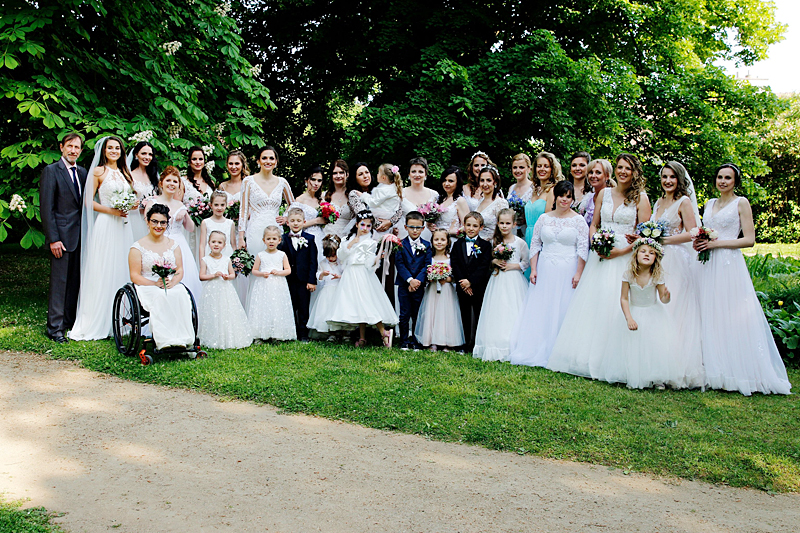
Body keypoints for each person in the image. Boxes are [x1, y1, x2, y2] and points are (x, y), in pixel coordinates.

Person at [547, 153, 651, 380]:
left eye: (628, 168)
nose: (623, 171)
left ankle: (618, 361)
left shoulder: (641, 198)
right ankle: (588, 357)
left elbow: (644, 236)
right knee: (595, 302)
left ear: (634, 172)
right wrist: (596, 243)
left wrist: (622, 251)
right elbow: (594, 224)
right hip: (601, 254)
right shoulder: (604, 193)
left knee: (616, 301)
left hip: (625, 255)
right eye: (620, 167)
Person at [692, 164, 791, 395]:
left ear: (735, 181)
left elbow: (749, 240)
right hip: (707, 264)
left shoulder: (741, 203)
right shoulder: (709, 203)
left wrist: (716, 244)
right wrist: (701, 242)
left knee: (729, 311)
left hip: (728, 262)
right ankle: (713, 366)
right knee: (710, 310)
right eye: (720, 177)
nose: (723, 181)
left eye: (728, 178)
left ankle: (736, 368)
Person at [508, 181, 589, 367]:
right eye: (561, 196)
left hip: (568, 268)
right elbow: (535, 244)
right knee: (543, 305)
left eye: (568, 197)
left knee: (564, 305)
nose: (564, 200)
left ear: (572, 199)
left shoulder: (578, 221)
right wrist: (534, 269)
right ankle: (538, 345)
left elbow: (583, 248)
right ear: (555, 197)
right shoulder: (544, 218)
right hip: (545, 266)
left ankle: (561, 349)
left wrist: (578, 273)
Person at [69, 135, 135, 341]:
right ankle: (97, 319)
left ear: (121, 152)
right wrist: (111, 211)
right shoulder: (98, 171)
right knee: (103, 266)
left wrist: (130, 204)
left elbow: (131, 197)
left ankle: (120, 317)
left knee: (121, 266)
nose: (114, 151)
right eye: (110, 148)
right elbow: (88, 202)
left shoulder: (125, 173)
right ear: (104, 151)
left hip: (123, 226)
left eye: (117, 148)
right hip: (106, 224)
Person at [651, 161, 704, 389]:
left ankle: (674, 368)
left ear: (679, 179)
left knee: (672, 309)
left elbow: (693, 233)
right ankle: (655, 364)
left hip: (676, 260)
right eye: (664, 177)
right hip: (657, 259)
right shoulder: (658, 202)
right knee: (655, 309)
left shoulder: (684, 202)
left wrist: (664, 240)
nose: (667, 181)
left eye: (672, 177)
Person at [601, 238, 680, 389]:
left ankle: (656, 376)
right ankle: (628, 372)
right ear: (636, 255)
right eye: (643, 251)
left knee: (654, 344)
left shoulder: (657, 276)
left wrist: (667, 297)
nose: (647, 254)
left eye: (651, 253)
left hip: (653, 314)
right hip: (634, 312)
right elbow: (624, 298)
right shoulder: (628, 275)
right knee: (631, 344)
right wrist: (629, 318)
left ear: (656, 258)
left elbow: (663, 299)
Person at [40, 132, 87, 343]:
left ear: (81, 151)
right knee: (59, 284)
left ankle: (69, 322)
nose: (73, 150)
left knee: (74, 282)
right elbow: (46, 208)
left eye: (77, 147)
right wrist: (53, 238)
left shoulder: (83, 172)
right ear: (61, 147)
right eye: (70, 146)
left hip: (80, 236)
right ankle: (55, 329)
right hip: (60, 237)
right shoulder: (51, 171)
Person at [128, 204, 195, 350]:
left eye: (162, 222)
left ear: (167, 224)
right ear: (148, 221)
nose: (158, 226)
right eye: (155, 221)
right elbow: (134, 276)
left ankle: (183, 338)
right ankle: (164, 340)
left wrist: (173, 281)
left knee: (180, 294)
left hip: (169, 283)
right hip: (147, 285)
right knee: (160, 295)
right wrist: (154, 284)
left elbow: (179, 269)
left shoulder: (174, 245)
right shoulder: (137, 247)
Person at [327, 211, 398, 348]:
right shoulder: (347, 239)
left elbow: (370, 262)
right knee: (358, 305)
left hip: (362, 274)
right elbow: (341, 256)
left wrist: (378, 258)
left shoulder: (371, 242)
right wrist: (351, 244)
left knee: (366, 302)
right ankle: (362, 337)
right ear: (357, 224)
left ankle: (384, 332)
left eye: (368, 226)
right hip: (350, 273)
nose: (365, 228)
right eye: (362, 225)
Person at [473, 209, 529, 361]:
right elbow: (487, 261)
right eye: (502, 223)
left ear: (514, 224)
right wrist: (495, 261)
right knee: (497, 309)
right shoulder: (494, 242)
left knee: (513, 308)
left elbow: (525, 262)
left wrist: (512, 266)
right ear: (497, 224)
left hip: (514, 280)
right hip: (497, 279)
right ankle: (495, 342)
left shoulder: (520, 243)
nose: (504, 226)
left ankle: (513, 342)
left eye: (508, 223)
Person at [142, 167, 202, 303]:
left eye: (175, 181)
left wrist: (185, 214)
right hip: (159, 244)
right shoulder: (152, 202)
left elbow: (190, 228)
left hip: (179, 246)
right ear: (161, 183)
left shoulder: (180, 204)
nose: (171, 184)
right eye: (168, 180)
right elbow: (148, 225)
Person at [198, 230, 253, 349]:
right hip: (211, 291)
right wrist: (213, 275)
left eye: (219, 242)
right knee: (213, 312)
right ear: (209, 243)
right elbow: (201, 276)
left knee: (225, 311)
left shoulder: (227, 259)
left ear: (224, 245)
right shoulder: (205, 260)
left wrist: (228, 277)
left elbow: (232, 275)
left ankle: (227, 336)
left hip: (225, 290)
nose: (216, 244)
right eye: (213, 242)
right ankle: (212, 337)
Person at [238, 146, 295, 256]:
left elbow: (293, 204)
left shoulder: (282, 182)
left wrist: (286, 217)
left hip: (275, 231)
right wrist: (241, 237)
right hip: (255, 231)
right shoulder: (248, 181)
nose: (268, 161)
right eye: (264, 158)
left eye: (271, 158)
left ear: (276, 162)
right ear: (258, 161)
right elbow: (243, 210)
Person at [414, 228, 464, 351]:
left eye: (442, 239)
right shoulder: (429, 258)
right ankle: (431, 341)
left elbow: (455, 275)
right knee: (432, 312)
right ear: (432, 241)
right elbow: (424, 272)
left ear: (448, 242)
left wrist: (447, 279)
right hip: (432, 290)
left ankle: (446, 342)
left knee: (446, 314)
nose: (439, 242)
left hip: (447, 290)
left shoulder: (450, 258)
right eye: (436, 239)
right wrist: (431, 277)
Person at [451, 212, 493, 352]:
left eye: (475, 226)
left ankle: (476, 342)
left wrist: (471, 282)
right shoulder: (457, 244)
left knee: (478, 313)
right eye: (468, 225)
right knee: (464, 314)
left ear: (481, 228)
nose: (471, 228)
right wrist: (463, 282)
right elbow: (455, 264)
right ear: (464, 226)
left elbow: (484, 266)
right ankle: (465, 342)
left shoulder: (485, 245)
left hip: (478, 286)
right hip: (462, 286)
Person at [247, 226, 296, 341]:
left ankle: (277, 333)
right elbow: (254, 270)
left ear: (279, 240)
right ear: (264, 240)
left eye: (274, 239)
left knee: (276, 307)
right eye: (268, 239)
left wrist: (279, 272)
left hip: (278, 285)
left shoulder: (282, 255)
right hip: (263, 285)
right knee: (263, 307)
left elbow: (288, 270)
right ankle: (259, 334)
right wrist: (261, 273)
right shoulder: (260, 255)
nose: (271, 241)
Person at [279, 207, 319, 342]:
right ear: (287, 223)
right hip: (288, 279)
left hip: (304, 281)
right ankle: (290, 333)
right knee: (290, 306)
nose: (295, 223)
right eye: (292, 221)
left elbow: (313, 261)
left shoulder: (310, 239)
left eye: (298, 220)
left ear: (304, 222)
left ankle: (303, 334)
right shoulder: (283, 239)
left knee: (303, 307)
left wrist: (311, 280)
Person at [395, 211, 432, 350]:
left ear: (423, 228)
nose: (415, 230)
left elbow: (427, 265)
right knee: (404, 313)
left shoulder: (427, 245)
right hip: (404, 284)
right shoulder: (400, 244)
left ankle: (417, 340)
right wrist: (410, 280)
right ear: (406, 227)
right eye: (411, 227)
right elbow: (399, 264)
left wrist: (417, 281)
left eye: (418, 227)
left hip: (419, 285)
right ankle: (404, 340)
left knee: (418, 313)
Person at [306, 235, 344, 340]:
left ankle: (344, 333)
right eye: (328, 256)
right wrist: (322, 274)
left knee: (340, 311)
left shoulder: (341, 262)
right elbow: (319, 277)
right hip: (327, 291)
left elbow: (346, 274)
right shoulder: (323, 263)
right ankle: (332, 333)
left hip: (339, 290)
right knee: (327, 312)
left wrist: (339, 276)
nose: (330, 258)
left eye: (333, 256)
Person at [355, 163, 403, 241]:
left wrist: (363, 196)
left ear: (383, 177)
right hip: (377, 221)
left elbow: (373, 202)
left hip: (382, 217)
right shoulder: (393, 188)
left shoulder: (382, 190)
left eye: (367, 172)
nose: (365, 176)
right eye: (360, 174)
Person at [524, 151, 562, 248]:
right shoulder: (534, 190)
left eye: (546, 166)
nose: (542, 169)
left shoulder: (552, 190)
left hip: (542, 238)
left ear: (552, 169)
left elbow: (550, 221)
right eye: (539, 166)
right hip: (528, 235)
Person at [400, 157, 439, 241]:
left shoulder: (434, 195)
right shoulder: (400, 194)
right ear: (409, 174)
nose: (417, 175)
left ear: (425, 174)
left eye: (420, 172)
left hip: (428, 236)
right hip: (404, 236)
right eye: (413, 171)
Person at [128, 141, 160, 240]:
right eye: (143, 153)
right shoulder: (130, 176)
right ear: (136, 155)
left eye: (150, 154)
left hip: (152, 220)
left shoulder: (154, 176)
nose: (147, 157)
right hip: (135, 218)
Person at [290, 166, 326, 251]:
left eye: (319, 180)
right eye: (313, 180)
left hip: (321, 237)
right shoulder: (300, 200)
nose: (316, 183)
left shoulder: (321, 200)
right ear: (306, 180)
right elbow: (294, 224)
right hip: (305, 238)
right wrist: (316, 221)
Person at [433, 166, 470, 242]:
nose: (446, 184)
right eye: (444, 180)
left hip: (451, 241)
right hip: (436, 240)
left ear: (457, 183)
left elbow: (467, 226)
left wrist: (447, 232)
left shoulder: (460, 201)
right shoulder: (438, 199)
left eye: (450, 181)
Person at [474, 165, 509, 240]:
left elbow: (504, 228)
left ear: (495, 182)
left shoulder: (501, 203)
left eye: (488, 180)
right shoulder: (480, 201)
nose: (485, 184)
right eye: (482, 180)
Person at [323, 159, 355, 238]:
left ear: (347, 174)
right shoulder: (324, 196)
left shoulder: (353, 195)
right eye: (335, 173)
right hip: (327, 238)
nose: (338, 176)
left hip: (347, 239)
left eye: (341, 172)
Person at [199, 191, 236, 259]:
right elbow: (202, 245)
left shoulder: (230, 223)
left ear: (226, 205)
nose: (219, 208)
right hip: (210, 256)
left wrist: (234, 261)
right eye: (216, 205)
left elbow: (233, 245)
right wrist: (202, 261)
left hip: (226, 256)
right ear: (211, 205)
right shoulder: (206, 223)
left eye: (222, 205)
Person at [579, 159, 613, 227]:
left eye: (598, 173)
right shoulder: (588, 198)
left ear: (607, 176)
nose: (593, 176)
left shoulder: (612, 198)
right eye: (591, 172)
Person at [507, 154, 533, 236]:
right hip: (512, 230)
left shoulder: (533, 188)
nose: (517, 170)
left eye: (521, 167)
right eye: (515, 167)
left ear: (529, 169)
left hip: (526, 230)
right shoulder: (511, 188)